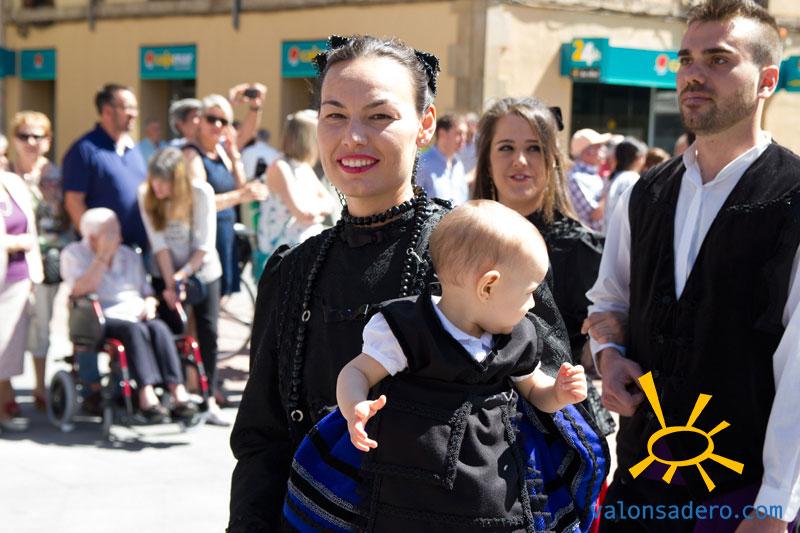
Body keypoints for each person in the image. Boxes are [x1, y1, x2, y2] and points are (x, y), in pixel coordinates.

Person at [229, 34, 596, 533]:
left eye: (379, 116)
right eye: (334, 115)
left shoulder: (482, 253)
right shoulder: (294, 270)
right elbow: (262, 440)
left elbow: (552, 417)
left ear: (425, 125)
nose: (353, 137)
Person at [584, 1, 800, 531]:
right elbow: (610, 301)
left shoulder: (794, 197)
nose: (693, 74)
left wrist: (775, 506)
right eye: (686, 60)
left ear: (767, 80)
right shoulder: (643, 193)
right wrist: (609, 357)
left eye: (718, 60)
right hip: (640, 485)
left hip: (740, 497)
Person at [330, 200, 588, 528]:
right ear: (488, 286)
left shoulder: (518, 337)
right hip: (410, 485)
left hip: (494, 488)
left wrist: (558, 393)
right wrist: (354, 406)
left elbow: (535, 390)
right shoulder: (407, 328)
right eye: (529, 292)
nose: (533, 304)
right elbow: (357, 371)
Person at [472, 96, 615, 435]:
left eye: (534, 148)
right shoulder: (460, 240)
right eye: (506, 148)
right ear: (487, 159)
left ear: (552, 160)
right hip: (474, 430)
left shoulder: (580, 248)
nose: (520, 160)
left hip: (557, 431)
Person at [60, 208, 198, 422]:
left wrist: (150, 304)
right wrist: (102, 257)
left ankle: (177, 390)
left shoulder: (129, 255)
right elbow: (79, 290)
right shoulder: (74, 254)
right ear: (93, 237)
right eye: (112, 233)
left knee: (159, 328)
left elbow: (147, 292)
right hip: (100, 315)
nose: (119, 236)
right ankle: (146, 394)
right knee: (134, 330)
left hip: (136, 311)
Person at [139, 148, 228, 426]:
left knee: (208, 332)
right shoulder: (146, 196)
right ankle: (175, 394)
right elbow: (159, 245)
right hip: (165, 271)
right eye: (154, 180)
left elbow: (204, 244)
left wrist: (182, 276)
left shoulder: (200, 193)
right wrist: (170, 284)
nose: (157, 187)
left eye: (163, 181)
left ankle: (208, 397)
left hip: (202, 271)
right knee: (170, 331)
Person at [10, 111, 73, 411]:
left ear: (48, 141)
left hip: (46, 262)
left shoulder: (57, 177)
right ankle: (6, 392)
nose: (31, 142)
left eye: (38, 136)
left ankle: (39, 387)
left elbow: (67, 219)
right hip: (11, 260)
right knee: (8, 326)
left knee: (41, 325)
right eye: (24, 135)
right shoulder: (6, 173)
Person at [184, 94, 268, 297]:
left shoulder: (221, 152)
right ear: (199, 120)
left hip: (224, 231)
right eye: (211, 119)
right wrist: (240, 195)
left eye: (223, 121)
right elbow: (199, 203)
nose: (217, 125)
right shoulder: (192, 154)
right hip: (203, 237)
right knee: (204, 300)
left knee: (221, 297)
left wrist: (234, 156)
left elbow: (240, 186)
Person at [63, 83, 148, 250]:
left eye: (135, 108)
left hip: (137, 253)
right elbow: (73, 202)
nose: (134, 114)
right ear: (107, 111)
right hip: (102, 254)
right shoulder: (84, 150)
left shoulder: (133, 149)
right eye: (128, 108)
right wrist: (96, 246)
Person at [257, 109, 335, 256]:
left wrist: (312, 213)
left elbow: (330, 203)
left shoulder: (303, 167)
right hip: (282, 250)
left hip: (304, 243)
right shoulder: (280, 166)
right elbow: (302, 213)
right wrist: (316, 211)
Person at [0, 170, 42, 433]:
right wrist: (13, 242)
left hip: (18, 278)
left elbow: (31, 228)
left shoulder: (13, 183)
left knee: (9, 347)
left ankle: (4, 403)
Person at [416, 113, 469, 205]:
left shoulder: (458, 165)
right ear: (442, 134)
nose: (464, 138)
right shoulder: (422, 164)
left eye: (465, 134)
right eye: (459, 133)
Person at [568, 128, 611, 232]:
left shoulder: (591, 175)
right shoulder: (576, 178)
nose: (603, 150)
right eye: (598, 146)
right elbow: (595, 215)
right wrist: (609, 188)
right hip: (590, 239)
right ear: (587, 151)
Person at [604, 136, 647, 229]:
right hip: (622, 235)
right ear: (639, 157)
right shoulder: (632, 179)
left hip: (610, 233)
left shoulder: (613, 177)